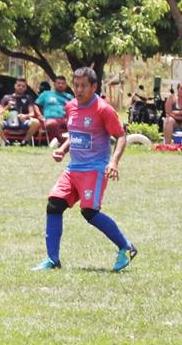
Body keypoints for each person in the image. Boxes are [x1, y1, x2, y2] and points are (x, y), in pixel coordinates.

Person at [32, 67, 137, 272]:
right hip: (73, 169)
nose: (78, 90)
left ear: (94, 87)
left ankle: (126, 247)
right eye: (76, 85)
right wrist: (62, 150)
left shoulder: (103, 109)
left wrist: (113, 162)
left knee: (89, 212)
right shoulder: (71, 106)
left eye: (83, 86)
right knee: (54, 205)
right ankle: (53, 260)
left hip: (95, 169)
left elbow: (121, 136)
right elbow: (76, 133)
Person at [0, 78, 41, 145]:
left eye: (23, 86)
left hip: (22, 122)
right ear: (15, 86)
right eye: (19, 85)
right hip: (8, 121)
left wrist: (25, 116)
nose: (21, 87)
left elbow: (32, 113)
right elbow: (0, 114)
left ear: (26, 88)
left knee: (36, 122)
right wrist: (8, 106)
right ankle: (6, 142)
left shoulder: (28, 98)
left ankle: (24, 142)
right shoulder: (6, 97)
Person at [35, 75, 73, 144]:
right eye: (58, 83)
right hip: (51, 119)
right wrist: (39, 115)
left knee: (77, 124)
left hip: (66, 119)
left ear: (66, 85)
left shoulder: (69, 96)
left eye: (62, 83)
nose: (60, 85)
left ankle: (78, 142)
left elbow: (75, 108)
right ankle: (61, 140)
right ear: (54, 84)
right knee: (51, 123)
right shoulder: (46, 94)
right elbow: (36, 105)